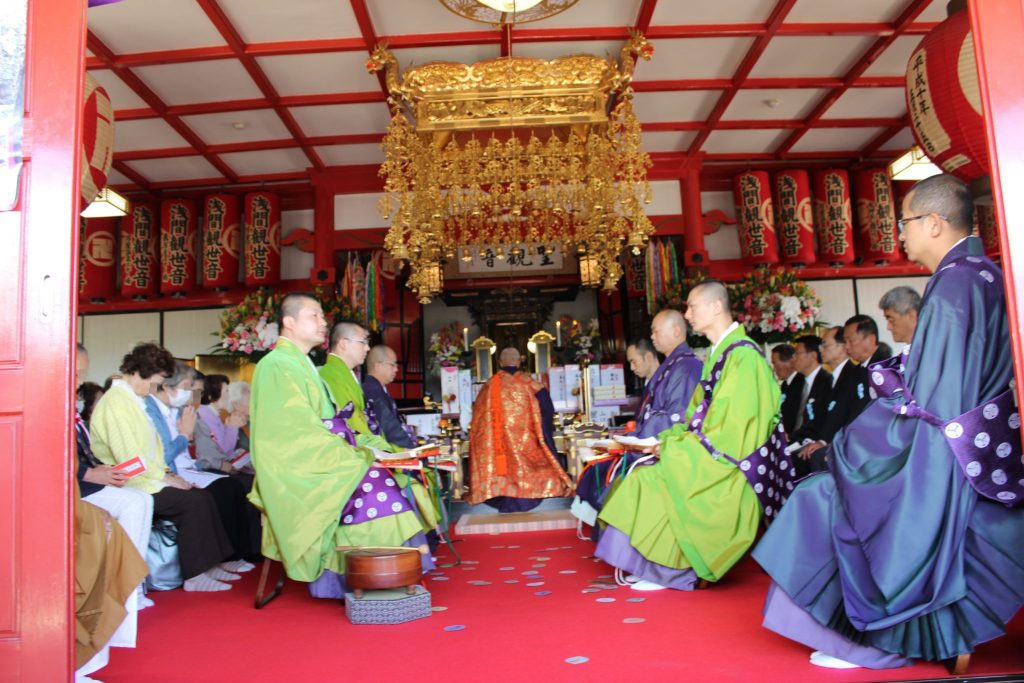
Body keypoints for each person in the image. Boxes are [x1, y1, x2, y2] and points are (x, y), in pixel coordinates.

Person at [753, 173, 1024, 670]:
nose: (900, 231)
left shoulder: (955, 284)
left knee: (822, 497)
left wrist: (854, 444)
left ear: (936, 224)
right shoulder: (984, 274)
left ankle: (868, 637)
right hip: (978, 449)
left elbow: (935, 404)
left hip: (940, 456)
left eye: (906, 221)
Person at [596, 281, 782, 591]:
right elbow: (695, 415)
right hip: (709, 448)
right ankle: (651, 566)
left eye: (692, 306)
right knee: (644, 471)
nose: (687, 313)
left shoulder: (743, 357)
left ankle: (670, 571)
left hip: (732, 460)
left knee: (656, 477)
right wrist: (664, 441)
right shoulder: (719, 354)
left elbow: (733, 430)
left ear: (716, 307)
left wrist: (675, 448)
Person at [248, 293, 434, 591]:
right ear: (289, 322)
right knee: (372, 478)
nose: (323, 323)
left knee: (382, 471)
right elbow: (288, 432)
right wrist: (353, 452)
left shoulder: (302, 363)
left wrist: (364, 447)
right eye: (315, 316)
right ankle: (365, 575)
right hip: (297, 463)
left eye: (322, 316)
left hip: (325, 449)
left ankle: (389, 570)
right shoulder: (276, 365)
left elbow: (335, 421)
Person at [90, 343, 238, 592]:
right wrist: (164, 478)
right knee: (193, 503)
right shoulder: (117, 402)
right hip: (131, 480)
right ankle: (194, 574)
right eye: (156, 380)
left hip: (147, 476)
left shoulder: (133, 399)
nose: (154, 387)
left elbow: (150, 450)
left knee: (201, 496)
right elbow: (130, 457)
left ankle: (210, 564)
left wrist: (167, 475)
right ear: (139, 372)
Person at [572, 328, 699, 530]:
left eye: (633, 361)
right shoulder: (657, 380)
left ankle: (606, 530)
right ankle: (596, 527)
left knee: (609, 470)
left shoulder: (685, 368)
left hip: (656, 444)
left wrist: (635, 436)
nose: (631, 367)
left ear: (649, 357)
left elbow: (674, 417)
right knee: (597, 467)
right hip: (641, 440)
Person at [147, 365, 261, 566]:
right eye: (188, 388)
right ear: (167, 387)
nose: (193, 395)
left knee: (234, 487)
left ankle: (240, 552)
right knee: (222, 490)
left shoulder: (183, 412)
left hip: (190, 468)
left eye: (195, 390)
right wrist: (184, 434)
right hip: (174, 471)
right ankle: (221, 559)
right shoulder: (161, 411)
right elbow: (169, 455)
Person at [74, 343, 153, 626]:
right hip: (74, 486)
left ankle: (133, 582)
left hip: (85, 477)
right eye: (76, 374)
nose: (80, 381)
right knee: (135, 500)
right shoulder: (114, 403)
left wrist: (99, 469)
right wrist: (87, 473)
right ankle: (125, 584)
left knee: (142, 499)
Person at [467, 347, 573, 513]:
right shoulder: (531, 384)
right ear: (518, 361)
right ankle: (527, 496)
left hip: (496, 442)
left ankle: (501, 494)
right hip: (526, 439)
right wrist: (540, 430)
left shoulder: (488, 386)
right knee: (528, 464)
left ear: (500, 363)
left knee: (501, 467)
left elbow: (477, 417)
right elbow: (546, 410)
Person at [74, 486, 148, 682]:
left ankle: (75, 666)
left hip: (68, 501)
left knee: (109, 532)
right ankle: (68, 667)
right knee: (101, 534)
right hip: (52, 510)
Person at [797, 325, 868, 465]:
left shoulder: (855, 375)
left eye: (825, 345)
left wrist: (825, 441)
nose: (820, 349)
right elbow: (820, 418)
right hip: (823, 440)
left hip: (846, 442)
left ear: (842, 347)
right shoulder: (828, 381)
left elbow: (849, 416)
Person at [319, 320, 373, 436]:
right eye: (363, 342)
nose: (367, 348)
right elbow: (350, 422)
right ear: (343, 343)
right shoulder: (330, 375)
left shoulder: (345, 373)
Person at [787, 335, 832, 476]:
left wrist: (794, 438)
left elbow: (820, 420)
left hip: (810, 439)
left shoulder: (826, 382)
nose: (794, 358)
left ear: (812, 355)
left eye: (797, 353)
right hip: (793, 438)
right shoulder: (797, 382)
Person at [362, 344, 416, 449]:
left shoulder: (378, 388)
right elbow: (389, 427)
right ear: (378, 366)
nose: (396, 369)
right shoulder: (372, 391)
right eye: (392, 365)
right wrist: (412, 451)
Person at [771, 343, 805, 436]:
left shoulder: (802, 382)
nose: (774, 369)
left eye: (775, 363)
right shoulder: (785, 384)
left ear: (790, 362)